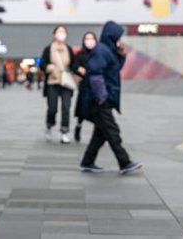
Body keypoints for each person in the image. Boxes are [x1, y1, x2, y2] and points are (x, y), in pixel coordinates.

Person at [79, 21, 142, 175]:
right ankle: (124, 162)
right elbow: (95, 75)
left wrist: (120, 55)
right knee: (112, 131)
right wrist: (102, 97)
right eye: (118, 36)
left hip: (103, 98)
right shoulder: (101, 51)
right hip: (100, 100)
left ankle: (87, 162)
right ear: (112, 36)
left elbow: (113, 69)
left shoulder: (108, 50)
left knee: (100, 134)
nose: (120, 39)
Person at [41, 26, 76, 144]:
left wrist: (76, 69)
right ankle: (49, 125)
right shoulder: (48, 48)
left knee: (66, 107)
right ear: (54, 34)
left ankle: (64, 132)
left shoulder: (68, 49)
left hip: (66, 82)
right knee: (52, 108)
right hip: (52, 81)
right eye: (59, 32)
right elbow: (42, 63)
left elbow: (74, 64)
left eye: (63, 32)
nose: (61, 34)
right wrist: (48, 67)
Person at [72, 32, 98, 142]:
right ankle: (78, 126)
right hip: (85, 86)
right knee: (83, 109)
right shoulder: (80, 54)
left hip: (96, 86)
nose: (89, 41)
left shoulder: (98, 53)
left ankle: (98, 131)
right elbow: (74, 66)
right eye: (87, 38)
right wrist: (79, 70)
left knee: (97, 110)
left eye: (91, 38)